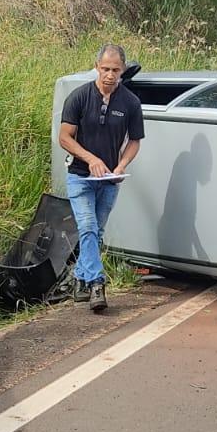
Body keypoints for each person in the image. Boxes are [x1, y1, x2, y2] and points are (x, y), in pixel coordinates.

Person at [58, 44, 144, 312]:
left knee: (97, 232)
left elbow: (135, 141)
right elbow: (64, 137)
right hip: (80, 177)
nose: (109, 75)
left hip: (109, 180)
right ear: (96, 67)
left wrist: (121, 165)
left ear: (123, 70)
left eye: (115, 70)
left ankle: (79, 279)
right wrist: (91, 159)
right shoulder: (79, 97)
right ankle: (97, 283)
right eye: (105, 69)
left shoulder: (130, 102)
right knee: (87, 227)